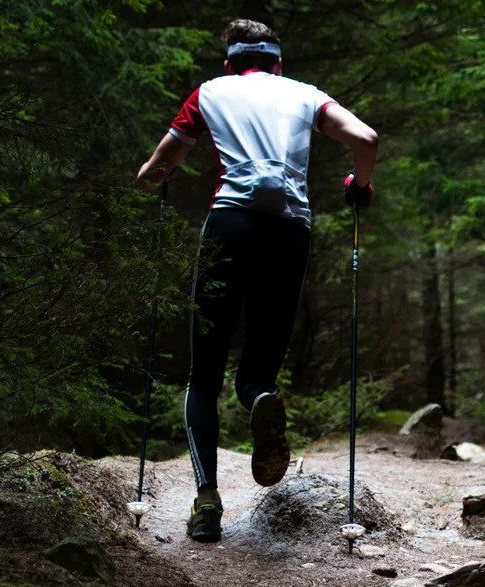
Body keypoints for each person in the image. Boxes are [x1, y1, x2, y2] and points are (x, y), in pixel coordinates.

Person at [137, 19, 378, 542]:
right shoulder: (305, 95)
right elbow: (366, 137)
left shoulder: (209, 93)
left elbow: (162, 163)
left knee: (203, 374)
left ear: (229, 63)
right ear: (278, 63)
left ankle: (206, 504)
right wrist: (360, 185)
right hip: (290, 232)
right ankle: (259, 399)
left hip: (230, 226)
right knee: (258, 373)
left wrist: (150, 179)